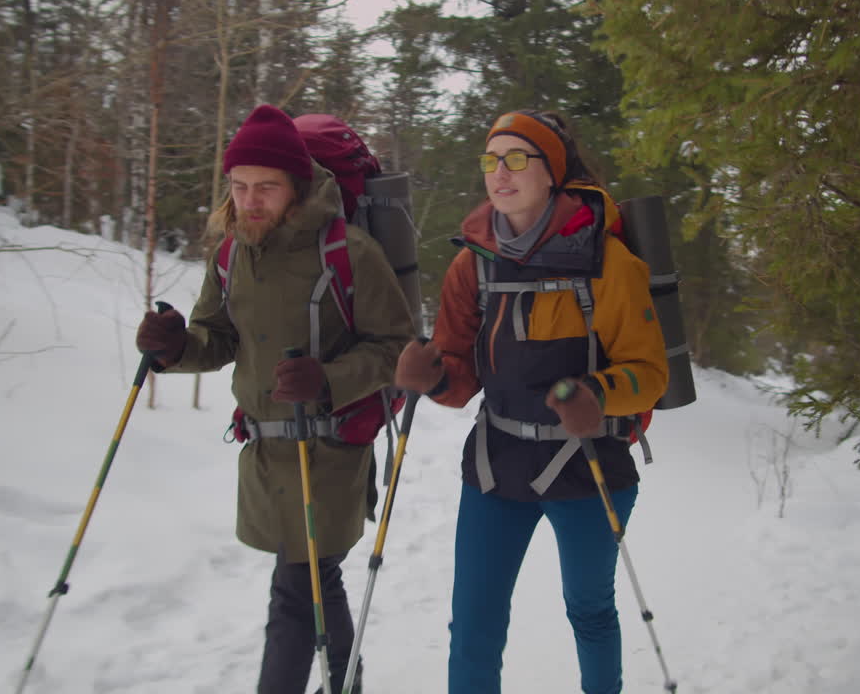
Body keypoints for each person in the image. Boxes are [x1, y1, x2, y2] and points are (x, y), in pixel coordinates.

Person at [135, 104, 413, 694]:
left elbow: (396, 348)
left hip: (331, 449)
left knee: (295, 589)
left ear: (297, 186)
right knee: (313, 579)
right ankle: (346, 679)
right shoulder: (232, 254)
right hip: (264, 453)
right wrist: (174, 347)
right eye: (239, 187)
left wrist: (328, 380)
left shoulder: (350, 252)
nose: (250, 200)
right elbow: (218, 338)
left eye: (266, 186)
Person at [394, 110, 669, 694]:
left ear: (553, 173)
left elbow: (650, 372)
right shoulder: (473, 262)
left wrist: (597, 393)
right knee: (473, 623)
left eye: (519, 158)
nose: (502, 172)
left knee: (589, 610)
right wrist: (430, 376)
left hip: (590, 465)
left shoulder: (608, 264)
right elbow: (462, 376)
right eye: (492, 160)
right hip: (498, 464)